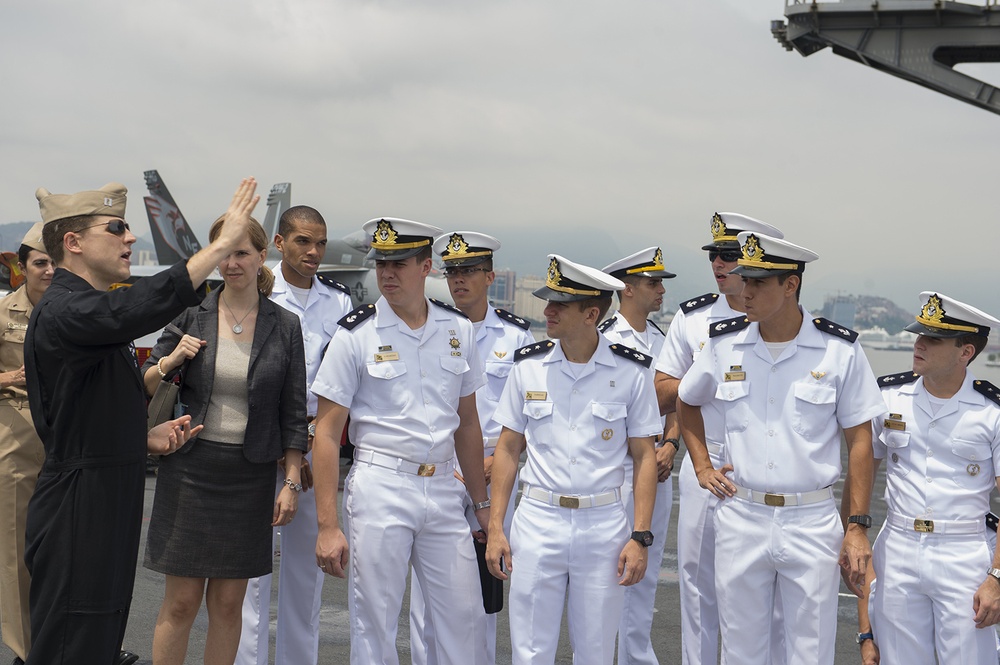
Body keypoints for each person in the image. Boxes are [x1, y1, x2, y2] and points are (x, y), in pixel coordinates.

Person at [23, 179, 257, 665]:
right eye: (116, 227)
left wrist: (139, 439)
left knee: (99, 626)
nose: (130, 238)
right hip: (80, 500)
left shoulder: (88, 309)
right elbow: (134, 307)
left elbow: (85, 405)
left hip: (105, 487)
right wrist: (216, 248)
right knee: (75, 635)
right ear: (73, 243)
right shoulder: (69, 308)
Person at [676, 231, 884, 664]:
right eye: (744, 280)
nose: (744, 292)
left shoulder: (838, 350)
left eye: (757, 283)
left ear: (790, 285)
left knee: (810, 650)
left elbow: (860, 440)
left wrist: (857, 526)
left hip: (810, 520)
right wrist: (701, 467)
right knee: (740, 651)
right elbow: (686, 401)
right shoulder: (723, 342)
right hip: (742, 515)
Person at [312, 218, 491, 665]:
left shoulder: (458, 330)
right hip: (381, 485)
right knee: (375, 626)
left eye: (399, 263)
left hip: (444, 491)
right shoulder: (356, 334)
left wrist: (483, 506)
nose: (387, 273)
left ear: (427, 266)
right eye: (381, 263)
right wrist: (328, 526)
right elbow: (328, 433)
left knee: (463, 620)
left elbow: (467, 424)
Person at [141, 215, 307, 665]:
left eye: (241, 253)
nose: (232, 263)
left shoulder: (286, 326)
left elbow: (293, 413)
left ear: (260, 257)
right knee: (180, 602)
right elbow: (144, 382)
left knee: (229, 605)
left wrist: (290, 482)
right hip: (190, 469)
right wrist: (171, 358)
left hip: (248, 476)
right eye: (224, 254)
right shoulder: (191, 315)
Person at [485, 254, 661, 665]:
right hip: (538, 520)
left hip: (603, 527)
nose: (547, 310)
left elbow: (644, 457)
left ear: (591, 313)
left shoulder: (632, 372)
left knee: (597, 652)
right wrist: (496, 527)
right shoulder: (528, 367)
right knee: (529, 652)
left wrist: (640, 536)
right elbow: (509, 449)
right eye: (548, 301)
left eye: (559, 304)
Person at [652, 212, 785, 665]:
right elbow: (662, 392)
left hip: (770, 469)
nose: (721, 264)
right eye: (716, 255)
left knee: (771, 595)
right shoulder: (693, 319)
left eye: (732, 255)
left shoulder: (788, 325)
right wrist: (705, 375)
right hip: (704, 458)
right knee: (696, 584)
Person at [409, 231, 535, 665]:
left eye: (469, 271)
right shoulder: (429, 328)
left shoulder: (516, 337)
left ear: (490, 277)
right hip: (442, 469)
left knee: (486, 584)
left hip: (493, 468)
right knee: (429, 590)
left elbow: (525, 412)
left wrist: (492, 461)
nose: (459, 280)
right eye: (452, 272)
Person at [236, 205, 353, 665]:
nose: (315, 251)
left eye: (321, 242)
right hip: (258, 444)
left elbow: (341, 387)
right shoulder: (258, 291)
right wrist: (289, 450)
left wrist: (306, 448)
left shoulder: (339, 303)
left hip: (315, 449)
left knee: (308, 578)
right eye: (304, 241)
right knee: (249, 580)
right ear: (280, 243)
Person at [856, 292, 1000, 664]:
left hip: (965, 555)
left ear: (965, 351)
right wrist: (855, 532)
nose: (918, 344)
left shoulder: (992, 412)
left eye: (933, 339)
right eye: (919, 334)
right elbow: (861, 472)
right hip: (900, 547)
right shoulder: (888, 396)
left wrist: (996, 577)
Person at [598, 246, 676, 665]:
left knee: (644, 574)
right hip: (616, 471)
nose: (661, 290)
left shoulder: (665, 342)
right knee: (608, 575)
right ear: (627, 289)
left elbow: (679, 403)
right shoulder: (604, 340)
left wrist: (671, 444)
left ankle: (635, 657)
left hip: (656, 471)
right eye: (653, 282)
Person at [0, 223, 52, 665]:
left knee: (68, 551)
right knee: (16, 554)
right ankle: (26, 650)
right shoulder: (3, 314)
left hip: (67, 443)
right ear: (21, 267)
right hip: (16, 444)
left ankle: (74, 643)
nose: (49, 270)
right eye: (39, 262)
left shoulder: (74, 308)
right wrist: (9, 377)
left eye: (55, 260)